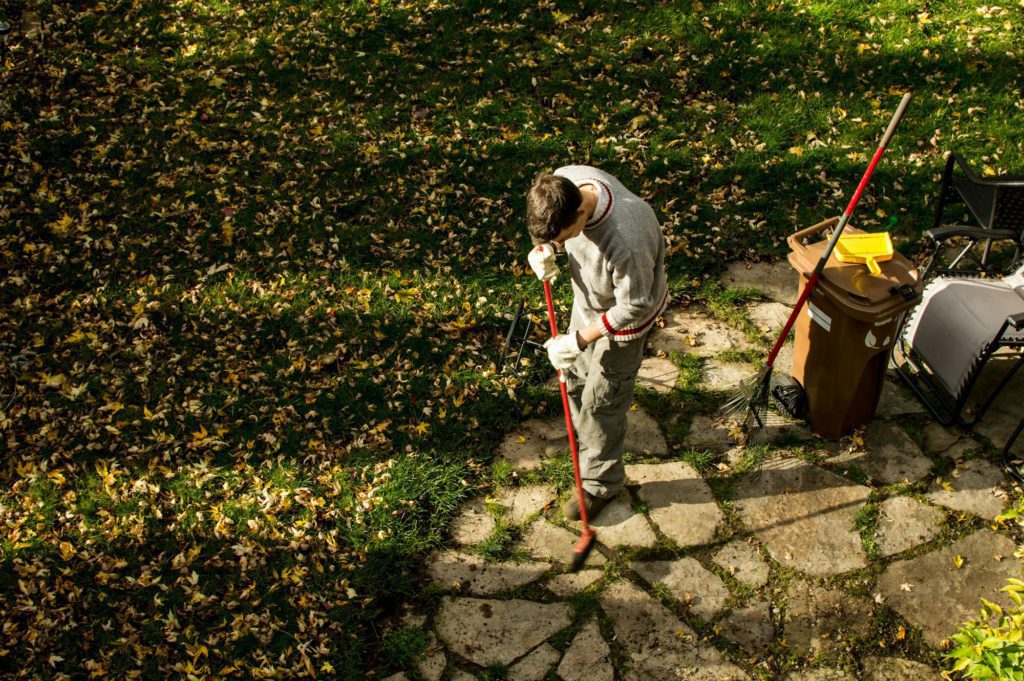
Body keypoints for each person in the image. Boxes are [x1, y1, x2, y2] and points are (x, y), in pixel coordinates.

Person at [526, 166, 668, 521]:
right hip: (588, 304)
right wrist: (544, 253)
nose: (560, 244)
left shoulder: (626, 237)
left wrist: (578, 339)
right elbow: (548, 233)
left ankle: (601, 483)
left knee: (601, 402)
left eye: (562, 238)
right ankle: (589, 443)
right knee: (573, 378)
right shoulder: (564, 182)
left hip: (624, 324)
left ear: (581, 213)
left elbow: (635, 304)